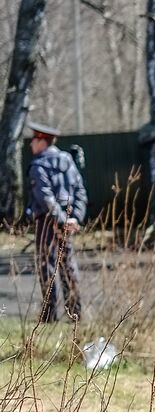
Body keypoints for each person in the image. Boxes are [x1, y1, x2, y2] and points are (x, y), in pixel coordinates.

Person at [26, 120, 88, 323]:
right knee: (68, 266)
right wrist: (74, 218)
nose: (31, 144)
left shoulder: (38, 165)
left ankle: (49, 317)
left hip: (47, 224)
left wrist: (62, 221)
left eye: (33, 139)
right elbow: (80, 191)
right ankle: (75, 315)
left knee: (47, 267)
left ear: (42, 141)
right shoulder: (68, 160)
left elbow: (46, 200)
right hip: (66, 223)